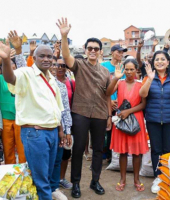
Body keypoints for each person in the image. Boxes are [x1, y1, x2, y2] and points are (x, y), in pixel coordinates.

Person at [0, 35, 64, 199]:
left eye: (49, 56)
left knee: (47, 178)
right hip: (35, 134)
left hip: (52, 133)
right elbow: (10, 78)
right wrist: (6, 59)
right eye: (42, 56)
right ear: (34, 58)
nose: (46, 59)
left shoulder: (52, 79)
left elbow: (58, 109)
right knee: (42, 180)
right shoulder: (26, 73)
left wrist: (61, 131)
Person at [57, 18, 111, 198]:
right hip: (80, 113)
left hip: (100, 114)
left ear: (100, 51)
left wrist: (109, 116)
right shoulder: (79, 65)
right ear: (85, 50)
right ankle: (76, 183)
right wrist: (64, 36)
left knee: (98, 149)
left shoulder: (105, 72)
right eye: (90, 48)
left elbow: (108, 94)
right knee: (78, 149)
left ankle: (95, 181)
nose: (93, 51)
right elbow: (66, 56)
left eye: (96, 49)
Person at [139, 50, 170, 193]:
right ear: (153, 63)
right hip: (153, 120)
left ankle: (168, 177)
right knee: (156, 150)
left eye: (162, 59)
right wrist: (150, 79)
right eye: (157, 59)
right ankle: (158, 177)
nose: (159, 61)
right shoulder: (148, 77)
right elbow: (142, 94)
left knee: (168, 150)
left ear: (168, 62)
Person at [106, 58, 148, 192]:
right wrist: (115, 78)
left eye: (132, 69)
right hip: (121, 120)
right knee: (122, 152)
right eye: (127, 69)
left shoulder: (141, 84)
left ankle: (136, 179)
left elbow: (143, 104)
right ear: (123, 70)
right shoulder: (120, 82)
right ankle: (122, 179)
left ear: (136, 70)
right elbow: (107, 93)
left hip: (136, 118)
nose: (129, 72)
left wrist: (128, 111)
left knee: (136, 153)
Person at [0, 31, 26, 164]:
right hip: (5, 120)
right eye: (7, 65)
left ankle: (24, 175)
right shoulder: (0, 79)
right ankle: (11, 175)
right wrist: (1, 58)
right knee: (8, 151)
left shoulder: (21, 78)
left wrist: (16, 51)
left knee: (23, 151)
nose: (11, 67)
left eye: (13, 65)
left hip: (21, 119)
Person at [50, 57, 74, 200]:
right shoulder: (39, 82)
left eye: (60, 65)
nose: (57, 68)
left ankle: (54, 187)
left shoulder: (62, 86)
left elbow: (65, 109)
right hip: (41, 128)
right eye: (54, 65)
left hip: (60, 129)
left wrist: (67, 131)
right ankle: (44, 188)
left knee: (58, 159)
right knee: (45, 160)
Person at [101, 44, 127, 163]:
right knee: (103, 131)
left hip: (119, 105)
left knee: (115, 131)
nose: (121, 54)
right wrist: (110, 100)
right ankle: (102, 156)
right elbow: (100, 85)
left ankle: (112, 156)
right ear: (112, 53)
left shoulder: (124, 67)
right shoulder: (103, 66)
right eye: (118, 52)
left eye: (122, 53)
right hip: (105, 103)